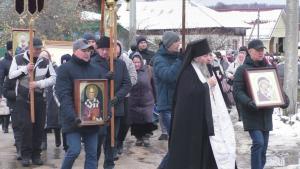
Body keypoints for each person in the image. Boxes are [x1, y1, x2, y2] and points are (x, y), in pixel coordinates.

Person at [166, 39, 236, 169]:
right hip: (194, 123)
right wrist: (207, 85)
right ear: (196, 58)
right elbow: (188, 96)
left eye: (208, 55)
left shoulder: (207, 68)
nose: (208, 58)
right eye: (205, 56)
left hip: (210, 120)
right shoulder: (187, 73)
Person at [233, 39, 289, 169]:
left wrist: (284, 100)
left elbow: (277, 89)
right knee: (258, 142)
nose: (261, 52)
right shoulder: (242, 70)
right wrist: (249, 102)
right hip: (251, 113)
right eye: (258, 50)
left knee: (263, 148)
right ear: (250, 52)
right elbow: (237, 91)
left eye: (262, 50)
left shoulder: (269, 68)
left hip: (266, 114)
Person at [56, 39, 103, 169]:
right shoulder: (64, 69)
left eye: (89, 50)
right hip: (72, 119)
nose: (87, 53)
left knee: (93, 153)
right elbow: (63, 95)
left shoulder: (96, 69)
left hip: (91, 119)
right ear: (75, 51)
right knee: (74, 150)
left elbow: (101, 95)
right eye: (84, 50)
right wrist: (73, 116)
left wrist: (105, 113)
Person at [9, 37, 56, 167]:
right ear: (30, 48)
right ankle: (25, 155)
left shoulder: (45, 61)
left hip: (39, 98)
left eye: (40, 48)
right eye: (36, 49)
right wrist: (24, 69)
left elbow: (53, 78)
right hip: (22, 99)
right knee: (26, 127)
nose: (38, 51)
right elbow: (11, 75)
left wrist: (39, 84)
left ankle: (36, 155)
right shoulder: (18, 59)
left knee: (39, 128)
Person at [93, 36, 131, 169]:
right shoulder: (92, 63)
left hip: (115, 107)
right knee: (98, 138)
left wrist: (117, 97)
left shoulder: (120, 64)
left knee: (112, 139)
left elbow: (127, 83)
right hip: (98, 108)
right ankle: (93, 164)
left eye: (107, 49)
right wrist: (104, 78)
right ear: (97, 49)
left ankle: (109, 164)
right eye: (102, 49)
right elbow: (89, 84)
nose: (104, 52)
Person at [153, 31, 183, 169]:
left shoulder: (177, 57)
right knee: (178, 143)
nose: (179, 44)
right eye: (177, 41)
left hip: (179, 104)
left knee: (179, 143)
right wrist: (180, 60)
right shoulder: (159, 59)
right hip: (167, 107)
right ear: (170, 43)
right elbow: (168, 76)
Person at [128, 52, 157, 147]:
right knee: (136, 122)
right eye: (134, 62)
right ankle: (138, 138)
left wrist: (156, 99)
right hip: (133, 102)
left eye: (138, 62)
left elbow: (154, 85)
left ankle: (146, 137)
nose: (136, 64)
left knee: (147, 120)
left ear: (141, 62)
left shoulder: (148, 70)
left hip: (147, 101)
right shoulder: (128, 72)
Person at [115, 41, 137, 156]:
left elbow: (133, 77)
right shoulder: (106, 61)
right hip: (112, 96)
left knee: (126, 121)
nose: (115, 50)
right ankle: (112, 143)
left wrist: (123, 86)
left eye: (117, 47)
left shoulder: (127, 61)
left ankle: (120, 141)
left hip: (125, 95)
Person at [0, 41, 13, 133]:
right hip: (6, 87)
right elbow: (1, 77)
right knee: (6, 107)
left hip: (16, 87)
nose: (12, 51)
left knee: (11, 107)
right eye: (10, 50)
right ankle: (5, 126)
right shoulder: (3, 62)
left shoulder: (17, 59)